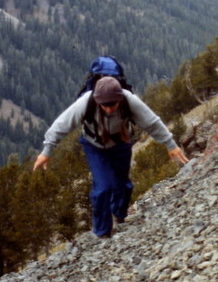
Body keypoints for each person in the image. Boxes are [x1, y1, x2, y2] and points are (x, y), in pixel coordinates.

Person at [33, 75, 188, 239]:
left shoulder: (129, 100)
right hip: (94, 146)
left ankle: (120, 215)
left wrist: (170, 144)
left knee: (122, 185)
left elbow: (152, 122)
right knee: (103, 188)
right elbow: (60, 126)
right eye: (104, 105)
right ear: (97, 100)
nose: (108, 109)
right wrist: (46, 151)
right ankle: (102, 232)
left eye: (112, 104)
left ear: (119, 98)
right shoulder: (86, 102)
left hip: (122, 142)